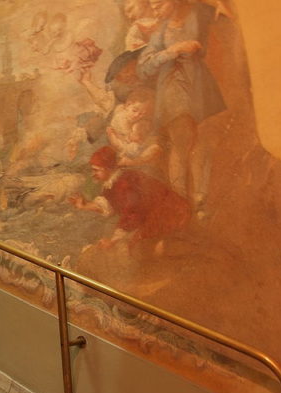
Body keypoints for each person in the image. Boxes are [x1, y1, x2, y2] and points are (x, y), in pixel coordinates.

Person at [137, 0, 225, 216]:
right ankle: (180, 200)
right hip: (173, 90)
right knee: (180, 143)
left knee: (204, 139)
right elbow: (143, 68)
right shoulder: (161, 31)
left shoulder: (198, 14)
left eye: (158, 4)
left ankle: (201, 197)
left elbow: (221, 15)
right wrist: (172, 51)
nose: (154, 9)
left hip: (200, 87)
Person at [68, 146, 190, 248]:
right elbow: (108, 204)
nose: (93, 174)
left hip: (169, 213)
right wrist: (84, 206)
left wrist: (113, 240)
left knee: (139, 248)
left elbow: (133, 212)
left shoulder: (125, 183)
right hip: (150, 214)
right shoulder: (113, 182)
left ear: (109, 169)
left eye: (97, 170)